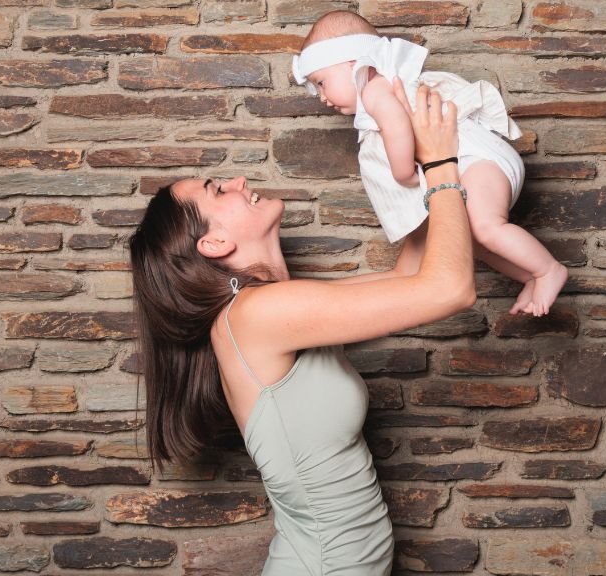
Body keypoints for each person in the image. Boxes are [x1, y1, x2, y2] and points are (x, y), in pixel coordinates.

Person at [129, 81, 475, 575]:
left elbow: (411, 279)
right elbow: (450, 290)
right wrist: (444, 165)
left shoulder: (268, 311)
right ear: (214, 242)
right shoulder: (255, 315)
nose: (238, 181)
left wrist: (411, 163)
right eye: (217, 190)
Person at [292, 10, 567, 317]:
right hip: (474, 167)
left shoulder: (375, 89)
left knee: (487, 228)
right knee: (475, 239)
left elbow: (396, 128)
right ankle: (528, 275)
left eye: (321, 82)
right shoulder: (384, 88)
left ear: (353, 63)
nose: (321, 96)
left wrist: (404, 172)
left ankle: (547, 270)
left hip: (477, 161)